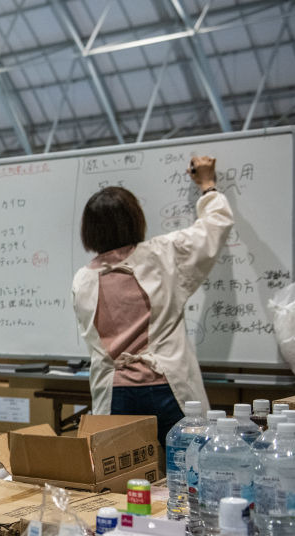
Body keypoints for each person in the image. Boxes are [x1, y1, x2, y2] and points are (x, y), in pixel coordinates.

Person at [71, 156, 234, 447]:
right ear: (136, 219)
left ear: (89, 230)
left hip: (115, 394)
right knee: (189, 473)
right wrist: (208, 186)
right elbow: (214, 228)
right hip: (167, 388)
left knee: (122, 480)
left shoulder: (82, 279)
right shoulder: (161, 254)